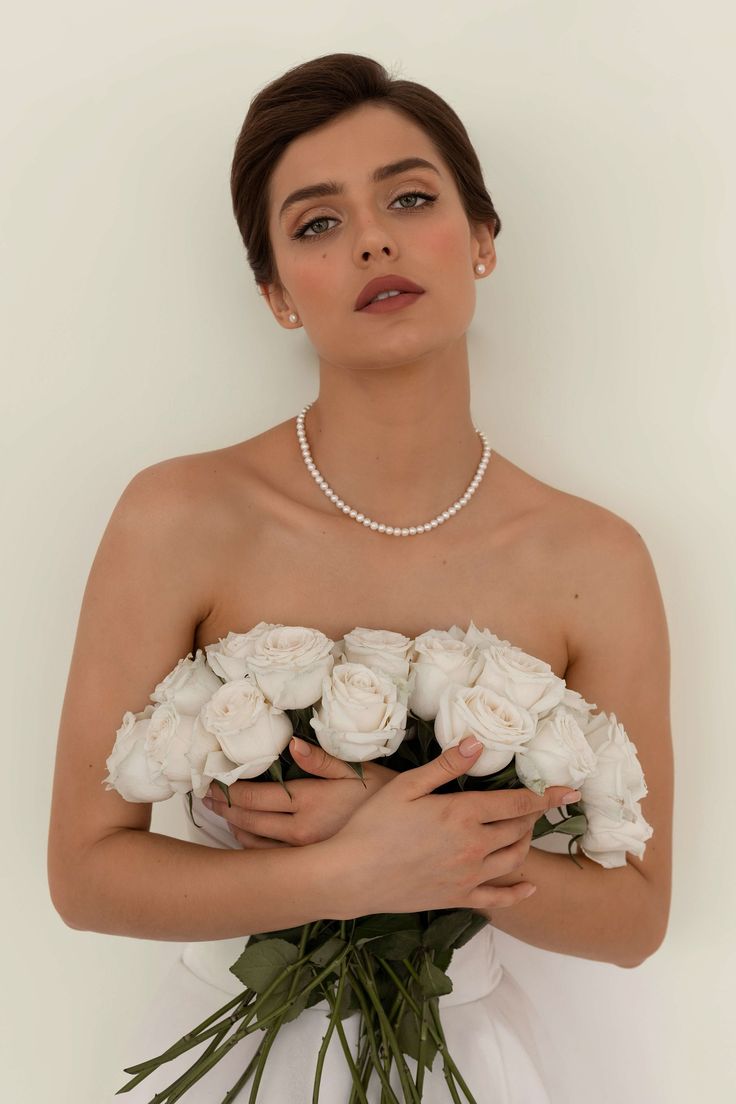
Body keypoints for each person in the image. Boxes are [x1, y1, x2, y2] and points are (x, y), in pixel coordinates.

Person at [47, 52, 673, 1102]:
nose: (373, 237)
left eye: (410, 198)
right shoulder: (178, 518)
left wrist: (408, 824)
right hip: (241, 1064)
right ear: (277, 293)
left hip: (473, 1062)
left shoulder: (594, 561)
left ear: (480, 240)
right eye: (318, 223)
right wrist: (344, 868)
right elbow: (85, 872)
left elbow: (637, 914)